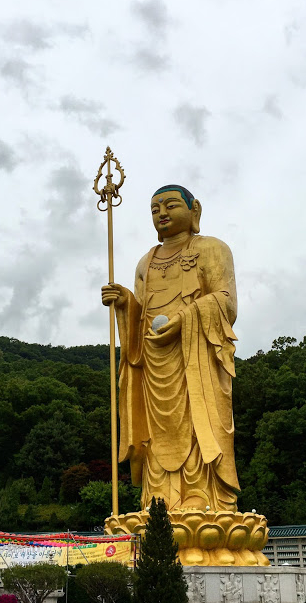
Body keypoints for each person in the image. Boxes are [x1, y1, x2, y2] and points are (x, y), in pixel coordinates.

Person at [101, 185, 240, 512]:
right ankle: (158, 497)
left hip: (196, 356)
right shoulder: (145, 263)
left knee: (196, 425)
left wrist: (185, 318)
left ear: (195, 210)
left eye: (171, 205)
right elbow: (141, 315)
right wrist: (125, 302)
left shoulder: (212, 249)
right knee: (156, 431)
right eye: (155, 209)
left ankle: (202, 497)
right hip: (153, 359)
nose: (162, 214)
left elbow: (227, 302)